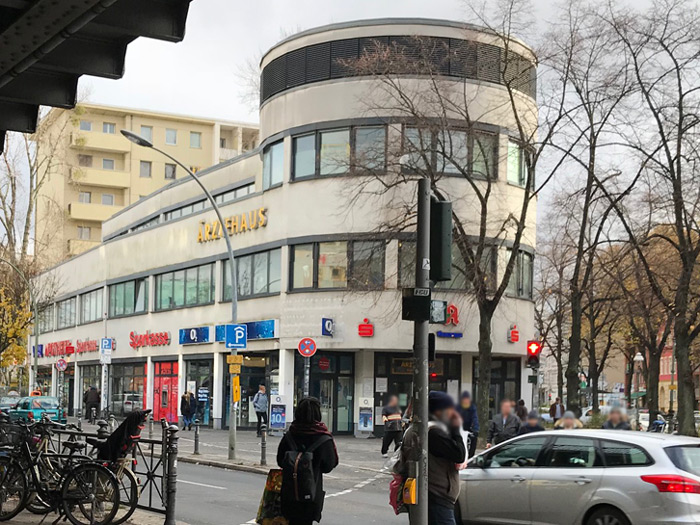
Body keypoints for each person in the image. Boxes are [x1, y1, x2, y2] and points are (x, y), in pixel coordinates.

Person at [400, 391, 466, 525]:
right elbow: (459, 454)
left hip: (427, 496)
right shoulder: (432, 433)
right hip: (436, 497)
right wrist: (455, 427)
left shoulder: (416, 429)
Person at [277, 397, 338, 525]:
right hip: (311, 494)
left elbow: (280, 460)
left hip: (289, 494)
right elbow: (329, 466)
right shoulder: (323, 438)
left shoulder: (290, 435)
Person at [458, 391, 479, 459]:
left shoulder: (472, 407)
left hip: (468, 426)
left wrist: (476, 429)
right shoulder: (458, 407)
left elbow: (474, 417)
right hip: (459, 426)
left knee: (474, 439)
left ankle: (471, 456)